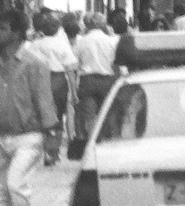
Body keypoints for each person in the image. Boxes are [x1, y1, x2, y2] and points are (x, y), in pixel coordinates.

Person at [0, 10, 59, 206]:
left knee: (15, 185)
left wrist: (52, 134)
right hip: (2, 137)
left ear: (16, 33)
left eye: (3, 28)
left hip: (28, 136)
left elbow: (44, 100)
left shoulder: (34, 63)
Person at [29, 11, 79, 165]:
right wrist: (74, 92)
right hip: (58, 81)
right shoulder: (62, 44)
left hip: (40, 81)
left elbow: (28, 66)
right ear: (58, 29)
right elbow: (70, 69)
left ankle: (44, 149)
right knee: (58, 116)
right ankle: (53, 151)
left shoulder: (35, 45)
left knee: (41, 115)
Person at [73, 12, 120, 149]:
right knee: (106, 113)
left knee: (89, 116)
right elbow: (115, 62)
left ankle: (94, 143)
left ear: (89, 24)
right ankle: (107, 142)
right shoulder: (111, 41)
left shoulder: (81, 41)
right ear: (103, 24)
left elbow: (75, 63)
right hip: (107, 80)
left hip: (87, 81)